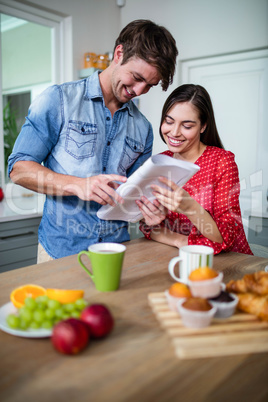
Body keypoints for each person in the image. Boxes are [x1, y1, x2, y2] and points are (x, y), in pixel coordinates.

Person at [8, 20, 178, 261]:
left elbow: (133, 196)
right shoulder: (59, 100)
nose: (139, 91)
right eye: (136, 77)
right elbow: (18, 169)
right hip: (60, 252)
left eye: (149, 85)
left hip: (117, 252)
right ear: (119, 54)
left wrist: (148, 213)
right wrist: (78, 184)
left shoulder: (143, 128)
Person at [136, 84, 253, 255]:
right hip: (177, 256)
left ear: (203, 126)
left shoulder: (222, 161)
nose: (174, 132)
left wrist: (190, 207)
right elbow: (149, 226)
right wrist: (178, 240)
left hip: (228, 262)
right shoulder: (159, 162)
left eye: (187, 126)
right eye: (169, 121)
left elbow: (225, 235)